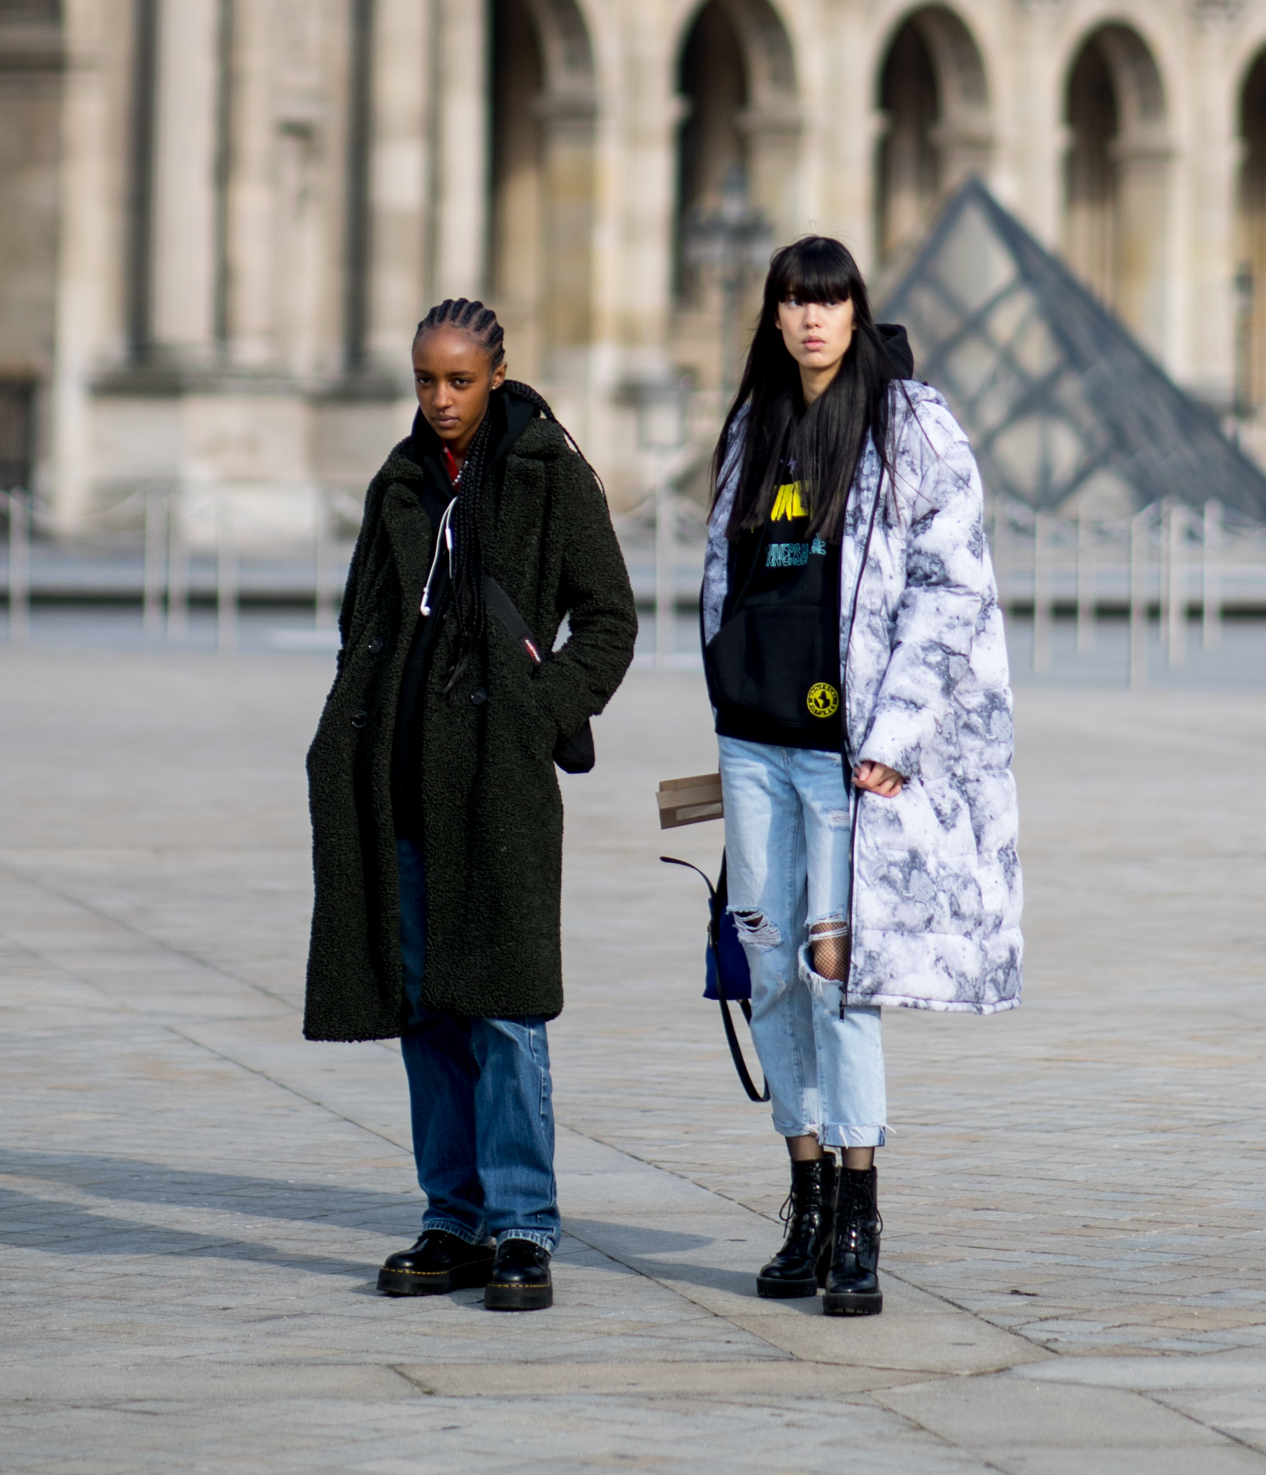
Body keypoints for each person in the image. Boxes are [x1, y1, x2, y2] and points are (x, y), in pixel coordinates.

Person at [701, 235, 1021, 1318]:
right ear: (774, 315)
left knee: (841, 976)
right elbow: (727, 567)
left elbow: (952, 583)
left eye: (829, 301)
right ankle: (804, 1192)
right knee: (769, 971)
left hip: (848, 757)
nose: (811, 320)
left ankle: (860, 1207)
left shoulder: (909, 424)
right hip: (754, 740)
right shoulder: (756, 421)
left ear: (855, 310)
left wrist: (894, 733)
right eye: (794, 301)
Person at [304, 298, 638, 1313]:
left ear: (496, 374)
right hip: (398, 782)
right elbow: (359, 615)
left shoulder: (547, 471)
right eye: (424, 380)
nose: (439, 399)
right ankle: (450, 1217)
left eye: (457, 380)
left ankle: (524, 1226)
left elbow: (611, 620)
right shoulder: (398, 482)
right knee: (425, 1012)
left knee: (502, 1009)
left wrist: (537, 714)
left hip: (495, 786)